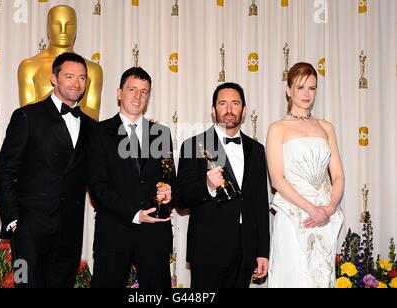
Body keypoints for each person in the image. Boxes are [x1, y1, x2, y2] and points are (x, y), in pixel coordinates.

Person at [0, 52, 95, 288]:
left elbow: (100, 173)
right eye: (69, 76)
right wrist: (13, 222)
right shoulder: (28, 116)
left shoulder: (91, 126)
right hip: (30, 229)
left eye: (82, 78)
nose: (76, 83)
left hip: (70, 230)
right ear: (53, 78)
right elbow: (4, 172)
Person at [88, 67, 176, 288]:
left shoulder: (161, 133)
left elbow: (169, 177)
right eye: (132, 89)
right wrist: (134, 214)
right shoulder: (98, 132)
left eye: (144, 91)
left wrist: (169, 192)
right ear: (119, 92)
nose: (138, 96)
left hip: (155, 233)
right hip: (114, 232)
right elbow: (98, 186)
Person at [177, 82, 270, 288]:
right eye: (223, 103)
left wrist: (263, 251)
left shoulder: (257, 150)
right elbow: (181, 198)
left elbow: (260, 204)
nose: (229, 110)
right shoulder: (193, 145)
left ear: (244, 110)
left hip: (246, 251)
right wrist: (207, 185)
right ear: (213, 110)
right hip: (208, 250)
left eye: (235, 103)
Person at [266, 62, 344, 288]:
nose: (307, 94)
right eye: (300, 87)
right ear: (288, 90)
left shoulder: (326, 127)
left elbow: (338, 175)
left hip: (324, 217)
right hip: (293, 214)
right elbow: (277, 179)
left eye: (312, 88)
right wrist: (311, 210)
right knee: (294, 275)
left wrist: (328, 209)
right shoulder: (278, 128)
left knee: (320, 277)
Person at [18, 5, 103, 120]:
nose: (63, 31)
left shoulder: (93, 69)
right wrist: (58, 98)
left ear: (76, 28)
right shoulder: (29, 67)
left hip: (80, 136)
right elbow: (26, 114)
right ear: (48, 27)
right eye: (57, 25)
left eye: (69, 25)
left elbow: (93, 116)